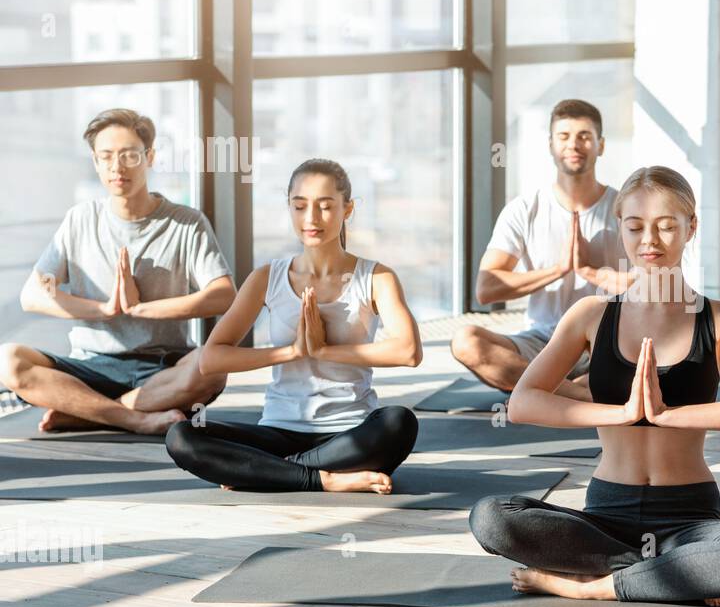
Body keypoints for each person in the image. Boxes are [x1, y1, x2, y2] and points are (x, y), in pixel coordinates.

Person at [469, 166, 720, 606]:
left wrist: (667, 416)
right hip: (606, 516)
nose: (650, 241)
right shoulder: (590, 314)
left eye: (666, 226)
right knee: (492, 517)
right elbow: (524, 403)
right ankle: (681, 578)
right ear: (620, 227)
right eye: (635, 227)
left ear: (690, 227)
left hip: (690, 519)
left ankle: (599, 585)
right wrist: (620, 413)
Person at [164, 159, 421, 494]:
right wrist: (293, 351)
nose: (311, 219)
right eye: (300, 206)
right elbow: (211, 358)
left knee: (399, 422)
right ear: (290, 208)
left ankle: (265, 472)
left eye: (326, 207)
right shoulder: (266, 278)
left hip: (349, 433)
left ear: (348, 209)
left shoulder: (376, 277)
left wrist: (325, 350)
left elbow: (409, 351)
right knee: (182, 436)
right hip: (278, 431)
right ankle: (323, 478)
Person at [0, 108, 234, 435]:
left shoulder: (186, 222)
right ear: (95, 162)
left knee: (213, 369)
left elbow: (223, 295)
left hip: (163, 367)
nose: (116, 167)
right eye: (106, 156)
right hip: (90, 367)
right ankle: (134, 417)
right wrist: (104, 310)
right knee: (7, 360)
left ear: (149, 157)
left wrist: (142, 309)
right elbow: (34, 294)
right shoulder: (80, 219)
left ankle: (88, 411)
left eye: (128, 155)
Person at [451, 99, 629, 399]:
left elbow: (652, 286)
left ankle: (549, 391)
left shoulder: (626, 208)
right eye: (564, 136)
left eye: (585, 136)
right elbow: (486, 288)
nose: (574, 144)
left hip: (607, 340)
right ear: (550, 145)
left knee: (656, 348)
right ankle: (579, 395)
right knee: (465, 341)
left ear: (601, 145)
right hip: (541, 342)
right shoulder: (524, 209)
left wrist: (591, 272)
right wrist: (557, 271)